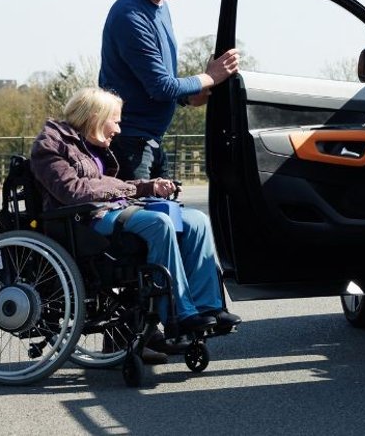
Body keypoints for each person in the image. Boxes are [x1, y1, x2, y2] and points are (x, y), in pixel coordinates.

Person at [29, 87, 241, 362]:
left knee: (196, 220)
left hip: (114, 211)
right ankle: (179, 313)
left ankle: (208, 307)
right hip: (84, 222)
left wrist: (149, 187)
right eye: (115, 120)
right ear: (96, 116)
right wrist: (129, 191)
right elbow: (74, 191)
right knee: (159, 224)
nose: (118, 128)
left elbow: (110, 187)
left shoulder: (92, 146)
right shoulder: (51, 144)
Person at [100, 0, 240, 180]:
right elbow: (161, 86)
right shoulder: (130, 16)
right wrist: (210, 77)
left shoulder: (160, 7)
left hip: (150, 140)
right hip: (130, 143)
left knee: (166, 211)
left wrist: (187, 97)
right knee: (144, 217)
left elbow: (155, 82)